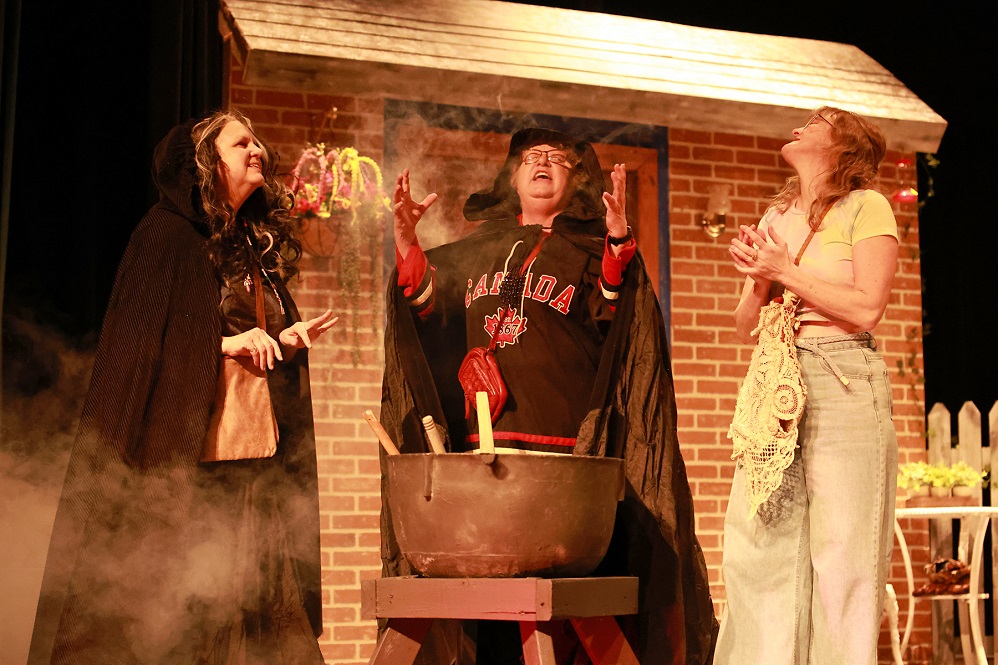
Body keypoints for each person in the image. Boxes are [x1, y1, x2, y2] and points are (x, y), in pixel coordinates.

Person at [378, 127, 717, 665]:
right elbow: (427, 313)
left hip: (559, 459)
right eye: (530, 158)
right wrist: (405, 243)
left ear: (575, 181)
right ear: (511, 178)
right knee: (487, 618)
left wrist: (618, 239)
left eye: (557, 159)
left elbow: (614, 304)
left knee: (558, 616)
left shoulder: (592, 250)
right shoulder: (469, 254)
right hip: (478, 459)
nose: (542, 164)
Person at [28, 110, 336, 664]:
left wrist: (282, 340)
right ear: (206, 163)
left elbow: (244, 340)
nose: (256, 150)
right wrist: (227, 346)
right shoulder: (167, 235)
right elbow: (136, 348)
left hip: (253, 469)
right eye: (241, 143)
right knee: (182, 622)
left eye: (257, 142)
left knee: (264, 623)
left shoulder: (251, 248)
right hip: (188, 473)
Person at [714, 106, 899, 664]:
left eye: (817, 120)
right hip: (776, 382)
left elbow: (868, 307)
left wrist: (785, 270)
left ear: (843, 144)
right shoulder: (778, 216)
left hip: (844, 379)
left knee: (843, 558)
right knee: (758, 551)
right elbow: (745, 325)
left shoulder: (866, 207)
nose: (801, 125)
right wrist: (759, 280)